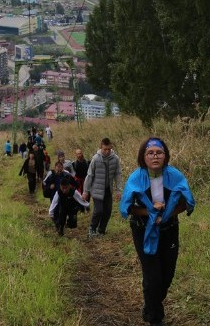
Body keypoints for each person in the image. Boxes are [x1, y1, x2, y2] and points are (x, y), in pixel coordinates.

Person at [119, 137, 195, 326]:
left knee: (166, 276)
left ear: (166, 156)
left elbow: (186, 203)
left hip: (169, 228)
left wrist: (167, 215)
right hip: (143, 229)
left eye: (159, 152)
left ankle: (150, 303)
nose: (155, 156)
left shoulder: (175, 176)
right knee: (153, 276)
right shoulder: (136, 178)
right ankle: (155, 317)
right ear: (143, 157)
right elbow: (128, 209)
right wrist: (150, 211)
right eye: (150, 153)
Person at [82, 137, 122, 238]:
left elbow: (118, 174)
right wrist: (85, 191)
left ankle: (101, 230)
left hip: (108, 189)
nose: (107, 151)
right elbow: (90, 175)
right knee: (99, 210)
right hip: (96, 189)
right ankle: (92, 228)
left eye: (109, 149)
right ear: (101, 148)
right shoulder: (96, 159)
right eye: (105, 149)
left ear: (111, 147)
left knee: (108, 211)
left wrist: (118, 190)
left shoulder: (115, 159)